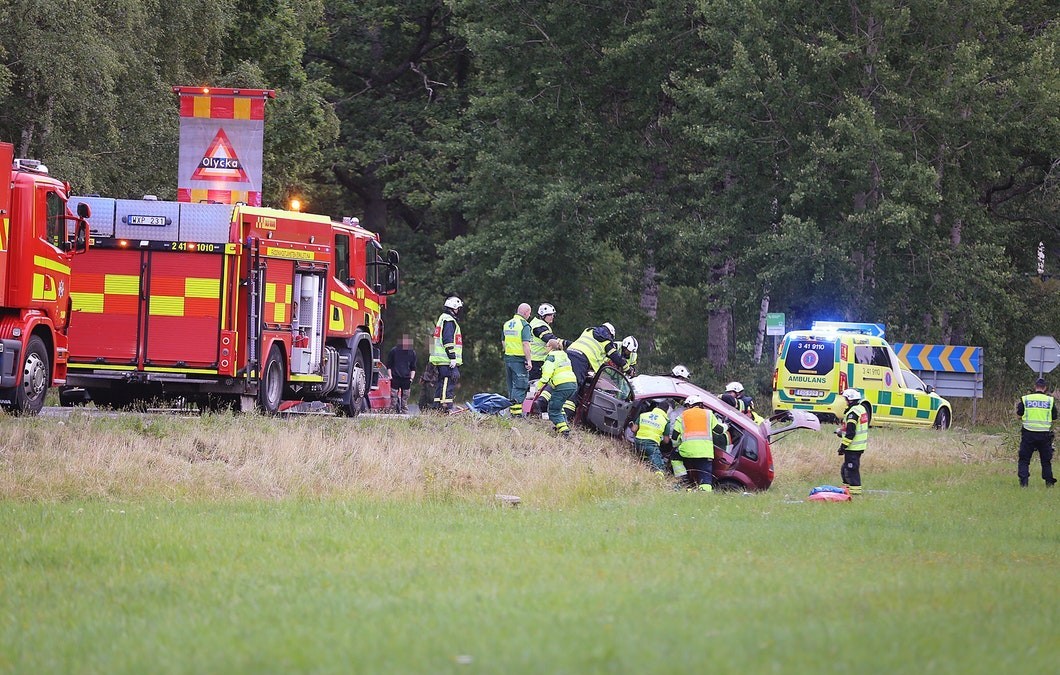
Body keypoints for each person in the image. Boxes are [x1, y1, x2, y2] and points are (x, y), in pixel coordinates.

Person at [671, 395, 726, 491]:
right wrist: (726, 425)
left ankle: (683, 479)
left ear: (688, 405)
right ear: (701, 405)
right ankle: (705, 492)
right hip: (705, 452)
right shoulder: (708, 414)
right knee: (705, 475)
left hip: (686, 451)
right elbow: (719, 430)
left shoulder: (682, 416)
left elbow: (674, 438)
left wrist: (677, 446)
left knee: (674, 456)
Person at [1015, 377, 1058, 488]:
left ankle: (1024, 483)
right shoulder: (1050, 400)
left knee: (1024, 460)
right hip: (1044, 435)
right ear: (1045, 388)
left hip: (1028, 434)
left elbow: (1019, 414)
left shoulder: (1026, 399)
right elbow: (1054, 417)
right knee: (1046, 461)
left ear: (1035, 387)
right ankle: (1049, 483)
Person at [565, 322, 628, 390]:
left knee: (562, 380)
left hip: (568, 354)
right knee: (573, 386)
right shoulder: (606, 339)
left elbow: (581, 344)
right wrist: (627, 369)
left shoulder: (588, 330)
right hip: (581, 361)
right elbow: (615, 356)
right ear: (611, 334)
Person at [531, 346, 579, 435]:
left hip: (562, 385)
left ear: (550, 347)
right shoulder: (564, 356)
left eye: (546, 345)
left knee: (553, 410)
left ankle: (564, 431)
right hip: (572, 384)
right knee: (559, 407)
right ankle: (563, 425)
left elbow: (546, 376)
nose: (545, 347)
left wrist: (537, 387)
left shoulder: (551, 357)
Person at [429, 296, 463, 411]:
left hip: (441, 359)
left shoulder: (442, 319)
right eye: (458, 308)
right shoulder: (449, 321)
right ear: (453, 308)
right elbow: (448, 340)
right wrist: (452, 357)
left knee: (441, 383)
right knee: (447, 382)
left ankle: (436, 406)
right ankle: (444, 407)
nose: (458, 311)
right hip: (446, 359)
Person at [836, 388, 869, 495]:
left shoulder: (853, 413)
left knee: (851, 470)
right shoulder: (861, 409)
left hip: (853, 447)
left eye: (846, 399)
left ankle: (855, 493)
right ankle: (846, 490)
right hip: (858, 446)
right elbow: (855, 428)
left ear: (850, 400)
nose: (845, 401)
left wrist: (843, 447)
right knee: (845, 468)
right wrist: (841, 432)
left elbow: (851, 433)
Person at [502, 303, 533, 416]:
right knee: (520, 386)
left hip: (508, 359)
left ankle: (511, 412)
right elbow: (525, 344)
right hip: (519, 360)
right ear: (525, 312)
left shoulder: (507, 324)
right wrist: (529, 360)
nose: (529, 315)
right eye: (529, 313)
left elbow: (503, 341)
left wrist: (509, 351)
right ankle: (516, 415)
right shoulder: (524, 325)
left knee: (511, 386)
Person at [631, 399, 670, 474]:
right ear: (666, 411)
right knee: (659, 468)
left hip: (638, 443)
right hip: (651, 445)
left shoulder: (643, 415)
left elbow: (633, 429)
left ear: (657, 407)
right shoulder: (665, 421)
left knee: (643, 458)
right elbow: (666, 440)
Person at [529, 303, 563, 380]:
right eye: (550, 315)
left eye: (553, 315)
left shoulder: (536, 322)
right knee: (535, 385)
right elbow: (550, 338)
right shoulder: (539, 326)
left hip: (536, 361)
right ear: (542, 316)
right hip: (537, 361)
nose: (552, 317)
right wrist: (567, 343)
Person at [386, 334, 417, 413]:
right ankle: (392, 412)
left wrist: (411, 378)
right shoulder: (394, 351)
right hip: (395, 377)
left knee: (405, 399)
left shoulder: (412, 353)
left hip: (406, 378)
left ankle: (404, 412)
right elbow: (389, 365)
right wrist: (390, 376)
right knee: (394, 398)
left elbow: (413, 367)